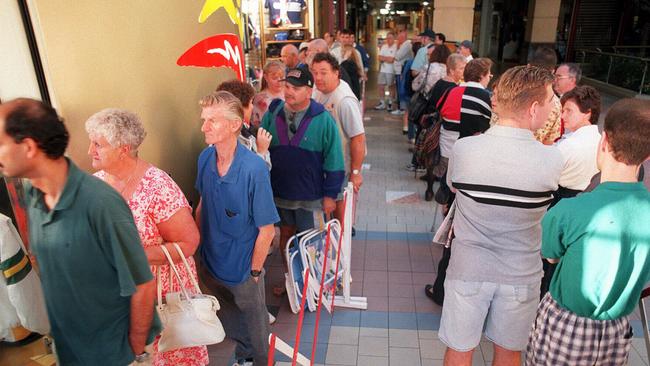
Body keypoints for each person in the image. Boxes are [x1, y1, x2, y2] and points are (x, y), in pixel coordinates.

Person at [0, 98, 160, 365]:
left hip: (112, 353)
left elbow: (142, 285)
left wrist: (133, 352)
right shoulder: (33, 193)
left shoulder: (100, 204)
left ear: (28, 147)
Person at [439, 66, 563, 366]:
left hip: (468, 267)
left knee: (459, 349)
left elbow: (453, 186)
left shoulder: (465, 149)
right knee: (508, 353)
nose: (552, 109)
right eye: (550, 101)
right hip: (521, 273)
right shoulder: (552, 159)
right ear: (533, 108)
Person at [526, 98, 650, 365]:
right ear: (647, 155)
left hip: (566, 323)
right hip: (617, 327)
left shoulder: (569, 211)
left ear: (604, 141)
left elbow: (551, 256)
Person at [85, 108, 207, 366]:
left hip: (161, 297)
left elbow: (189, 242)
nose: (90, 150)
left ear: (123, 149)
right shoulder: (96, 184)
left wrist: (134, 255)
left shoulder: (157, 187)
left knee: (165, 357)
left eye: (98, 144)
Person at [195, 91, 279, 366]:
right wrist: (198, 253)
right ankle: (243, 356)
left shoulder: (253, 168)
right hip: (212, 261)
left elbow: (267, 229)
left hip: (243, 267)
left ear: (234, 125)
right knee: (228, 316)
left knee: (257, 329)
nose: (204, 127)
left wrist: (254, 272)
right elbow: (202, 204)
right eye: (204, 120)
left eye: (212, 121)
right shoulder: (205, 159)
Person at [260, 67, 344, 273]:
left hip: (311, 197)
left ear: (309, 91)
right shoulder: (273, 113)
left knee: (312, 241)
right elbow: (260, 149)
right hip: (280, 194)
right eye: (287, 86)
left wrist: (330, 195)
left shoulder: (324, 119)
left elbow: (335, 160)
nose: (289, 91)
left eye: (296, 88)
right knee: (286, 238)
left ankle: (313, 284)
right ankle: (292, 280)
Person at [539, 86, 602, 297]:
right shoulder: (601, 141)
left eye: (568, 111)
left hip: (562, 200)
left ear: (588, 113)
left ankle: (544, 308)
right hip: (589, 205)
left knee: (550, 262)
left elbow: (546, 177)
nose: (563, 115)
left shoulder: (570, 146)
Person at [311, 52, 366, 222]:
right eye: (314, 72)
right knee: (326, 218)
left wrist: (355, 172)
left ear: (336, 73)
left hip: (341, 169)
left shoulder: (345, 101)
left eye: (323, 72)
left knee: (340, 218)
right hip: (323, 166)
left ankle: (341, 247)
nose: (318, 77)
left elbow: (358, 138)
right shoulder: (317, 91)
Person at [432, 58, 493, 179]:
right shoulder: (487, 97)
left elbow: (440, 110)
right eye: (489, 75)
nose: (489, 78)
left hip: (447, 144)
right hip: (472, 151)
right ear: (482, 76)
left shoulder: (452, 91)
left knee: (446, 178)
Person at [217, 79, 272, 168]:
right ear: (240, 107)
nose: (252, 107)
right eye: (250, 103)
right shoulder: (234, 139)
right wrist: (262, 151)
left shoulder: (244, 129)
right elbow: (251, 175)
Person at [251, 60, 285, 128]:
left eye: (282, 77)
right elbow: (256, 124)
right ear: (266, 77)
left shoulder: (290, 93)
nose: (279, 81)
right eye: (274, 78)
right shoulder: (260, 99)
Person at [392, 29, 414, 117]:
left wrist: (397, 46)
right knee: (398, 89)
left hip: (401, 71)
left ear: (403, 37)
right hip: (398, 71)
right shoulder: (403, 44)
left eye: (399, 36)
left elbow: (397, 57)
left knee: (401, 90)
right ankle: (400, 107)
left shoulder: (406, 44)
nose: (397, 38)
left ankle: (402, 109)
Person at [374, 32, 397, 110]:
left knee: (391, 87)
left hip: (391, 70)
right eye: (387, 38)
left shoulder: (396, 47)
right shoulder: (384, 46)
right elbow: (379, 57)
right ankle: (382, 102)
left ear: (394, 38)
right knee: (380, 86)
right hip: (383, 70)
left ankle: (390, 103)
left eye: (390, 38)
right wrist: (387, 58)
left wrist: (385, 58)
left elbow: (392, 60)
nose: (389, 39)